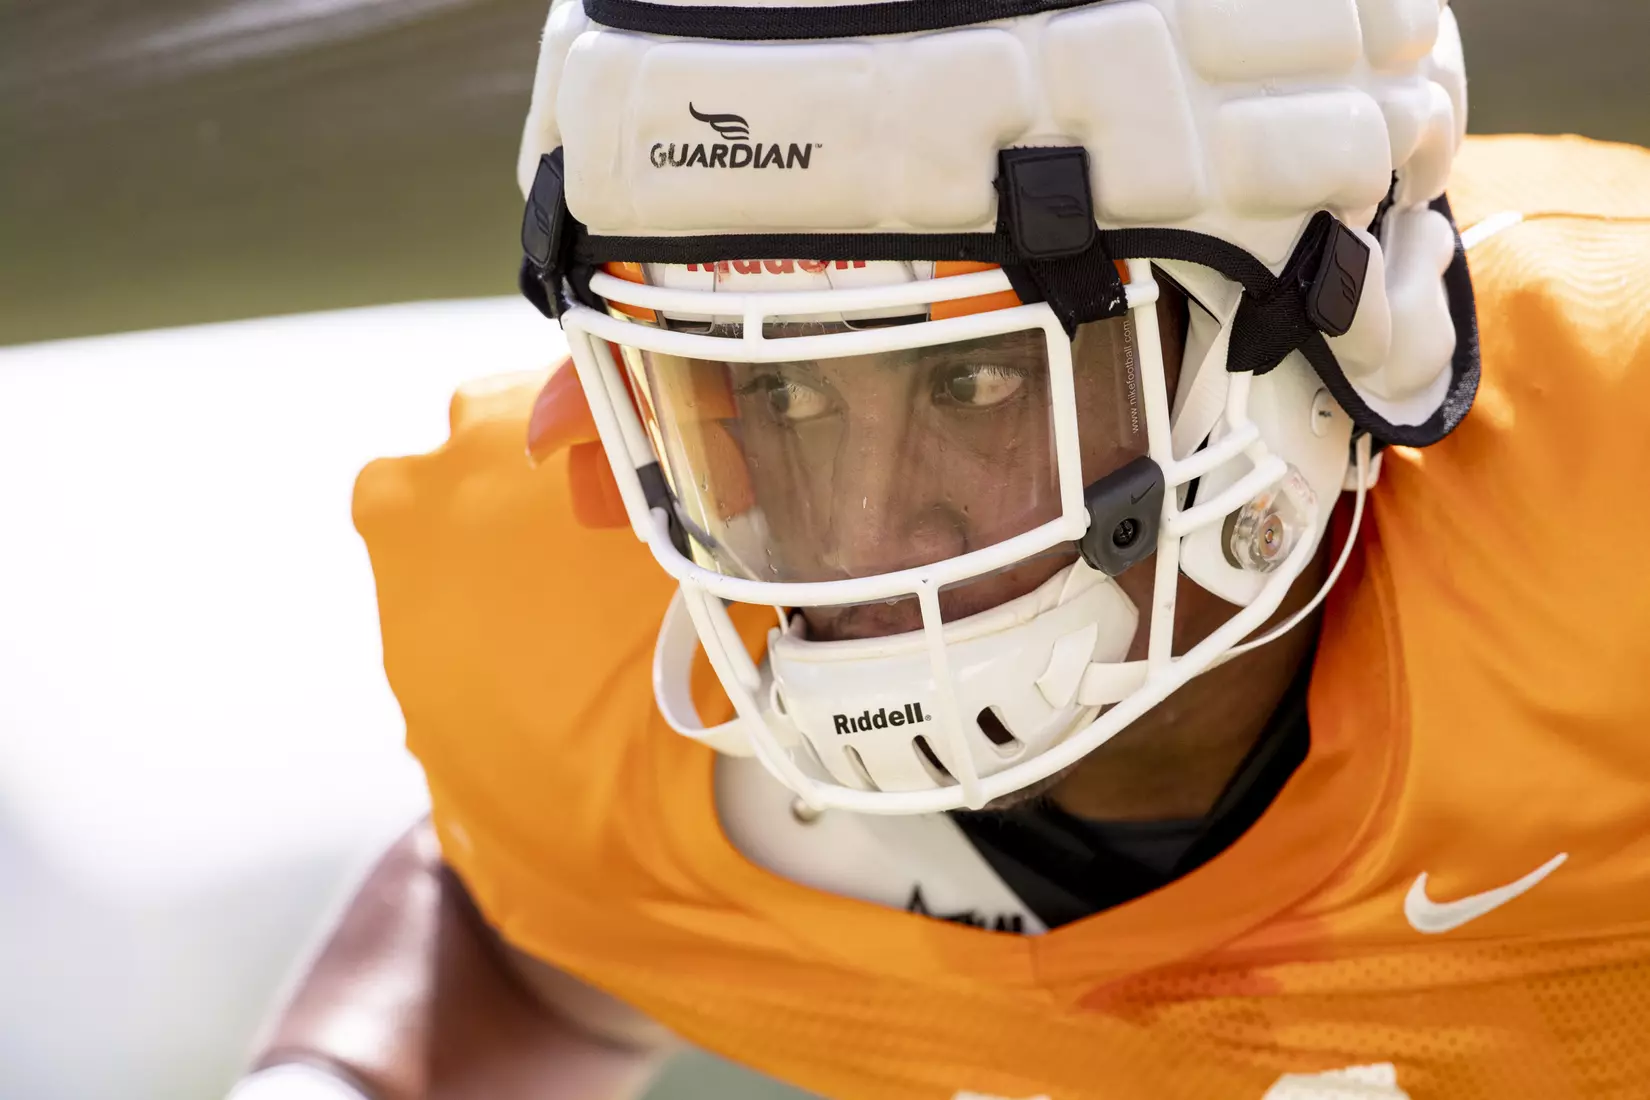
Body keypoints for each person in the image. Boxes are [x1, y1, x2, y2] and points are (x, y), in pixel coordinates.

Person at [228, 0, 1650, 1097]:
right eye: (775, 392)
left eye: (973, 379)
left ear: (1307, 332)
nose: (855, 538)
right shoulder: (584, 644)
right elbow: (527, 913)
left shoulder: (1609, 499)